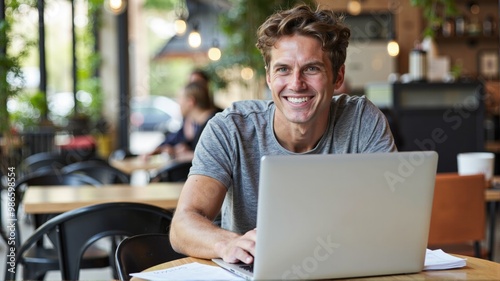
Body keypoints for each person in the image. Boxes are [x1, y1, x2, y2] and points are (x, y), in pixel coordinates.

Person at [170, 4, 396, 265]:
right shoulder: (230, 129)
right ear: (268, 76)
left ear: (338, 77)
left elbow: (390, 217)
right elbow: (182, 226)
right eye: (283, 69)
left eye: (312, 69)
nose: (296, 83)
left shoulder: (362, 122)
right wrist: (228, 243)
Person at [145, 81, 219, 161]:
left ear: (190, 102)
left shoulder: (213, 125)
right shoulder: (199, 124)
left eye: (180, 99)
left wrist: (188, 155)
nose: (178, 104)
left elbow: (215, 157)